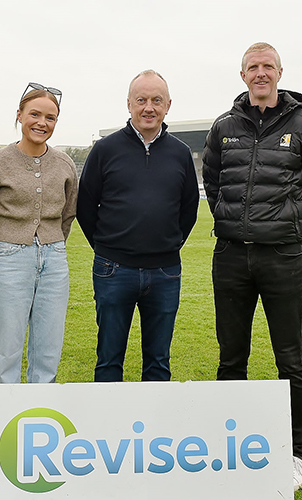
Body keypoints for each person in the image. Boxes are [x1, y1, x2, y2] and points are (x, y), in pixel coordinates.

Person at [202, 42, 302, 492]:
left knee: (290, 360)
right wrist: (231, 221)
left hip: (282, 258)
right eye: (252, 67)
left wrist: (296, 235)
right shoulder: (224, 126)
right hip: (231, 257)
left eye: (267, 66)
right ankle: (229, 447)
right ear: (242, 75)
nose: (260, 73)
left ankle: (294, 452)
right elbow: (213, 182)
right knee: (230, 358)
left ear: (280, 72)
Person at [76, 70, 199, 382]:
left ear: (168, 105)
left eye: (156, 100)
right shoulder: (105, 149)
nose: (149, 107)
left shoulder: (181, 153)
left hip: (165, 272)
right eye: (141, 100)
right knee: (108, 360)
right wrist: (109, 246)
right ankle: (107, 425)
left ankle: (154, 428)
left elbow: (189, 210)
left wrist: (165, 245)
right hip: (113, 269)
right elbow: (86, 206)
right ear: (128, 104)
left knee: (158, 363)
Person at [0, 83, 78, 384]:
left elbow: (68, 214)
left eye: (50, 118)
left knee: (48, 353)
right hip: (8, 258)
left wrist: (51, 246)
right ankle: (6, 426)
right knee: (6, 353)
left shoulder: (65, 164)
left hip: (55, 261)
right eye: (35, 114)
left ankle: (39, 423)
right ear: (19, 115)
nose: (42, 123)